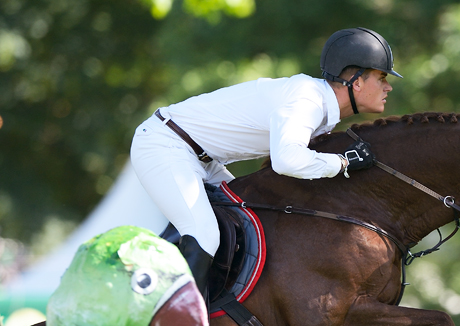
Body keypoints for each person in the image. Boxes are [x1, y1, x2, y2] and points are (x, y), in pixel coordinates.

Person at [130, 27, 401, 296]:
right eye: (381, 77)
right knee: (204, 233)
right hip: (165, 144)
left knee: (250, 221)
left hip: (199, 157)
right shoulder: (308, 99)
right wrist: (342, 163)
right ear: (356, 81)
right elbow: (286, 161)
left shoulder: (318, 105)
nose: (388, 86)